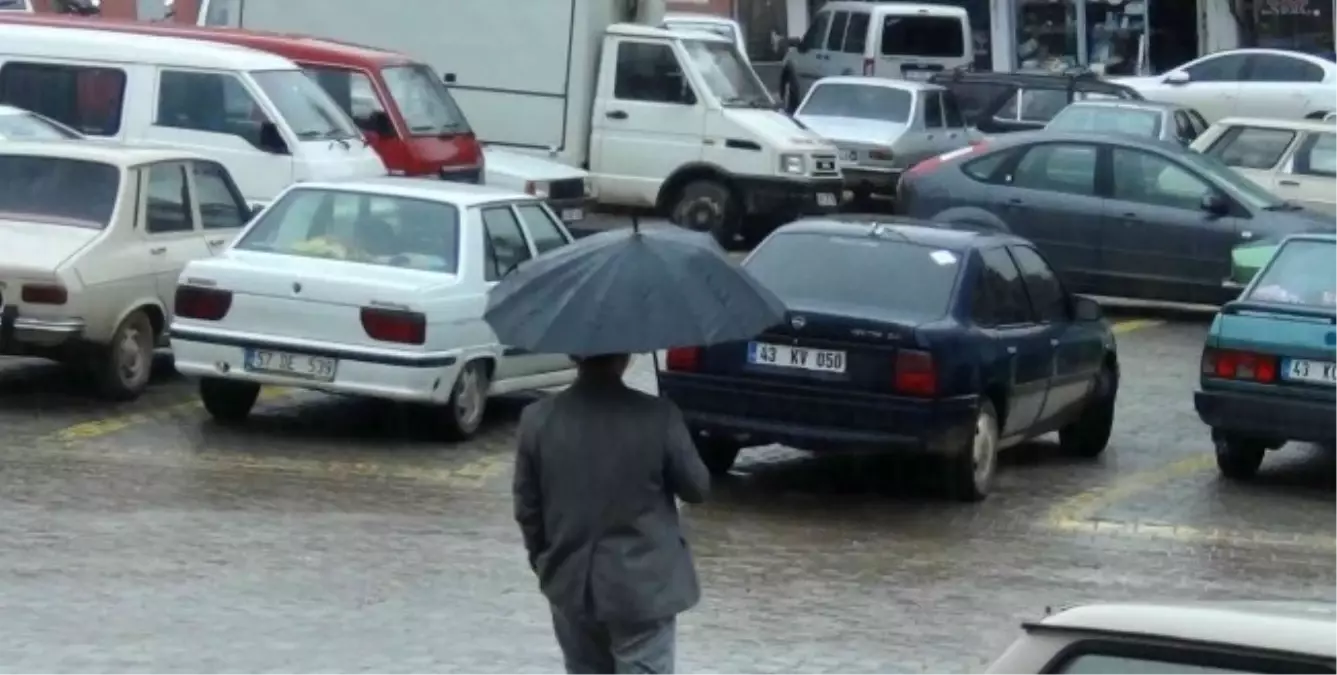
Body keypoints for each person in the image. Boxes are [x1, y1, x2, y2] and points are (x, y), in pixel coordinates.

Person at [512, 353, 711, 675]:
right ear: (626, 357)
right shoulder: (658, 416)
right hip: (643, 588)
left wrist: (547, 562)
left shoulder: (537, 419)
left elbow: (527, 508)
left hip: (571, 582)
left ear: (572, 356)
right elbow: (697, 489)